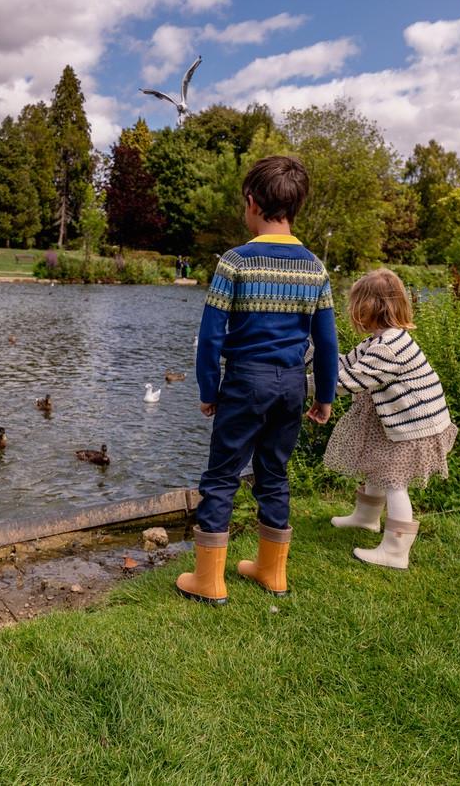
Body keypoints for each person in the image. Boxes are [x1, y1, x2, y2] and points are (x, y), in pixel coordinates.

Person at [176, 155, 339, 604]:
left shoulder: (234, 263)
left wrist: (210, 389)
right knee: (274, 473)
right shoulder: (315, 268)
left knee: (223, 475)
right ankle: (272, 571)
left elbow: (210, 337)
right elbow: (327, 343)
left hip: (245, 382)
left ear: (252, 203)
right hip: (291, 384)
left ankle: (209, 580)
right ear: (295, 207)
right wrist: (324, 395)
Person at [323, 268, 458, 569]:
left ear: (368, 308)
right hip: (406, 422)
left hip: (416, 428)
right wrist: (310, 353)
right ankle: (366, 518)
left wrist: (294, 384)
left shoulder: (389, 347)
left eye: (356, 306)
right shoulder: (380, 340)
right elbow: (344, 363)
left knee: (395, 483)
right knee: (379, 466)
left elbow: (346, 382)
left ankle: (395, 550)